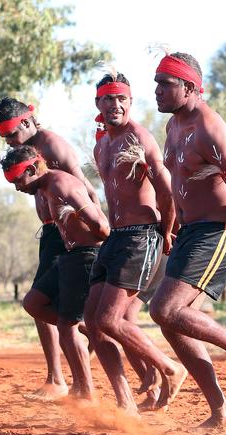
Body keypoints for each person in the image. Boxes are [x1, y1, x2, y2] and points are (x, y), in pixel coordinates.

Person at [150, 52, 226, 430]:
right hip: (191, 233)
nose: (157, 91)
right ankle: (221, 413)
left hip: (218, 231)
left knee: (163, 310)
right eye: (156, 82)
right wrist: (173, 224)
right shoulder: (173, 127)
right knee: (173, 321)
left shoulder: (209, 127)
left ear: (190, 87)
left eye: (165, 84)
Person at [84, 72, 187, 413]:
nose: (115, 105)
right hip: (115, 238)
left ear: (130, 102)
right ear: (98, 104)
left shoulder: (139, 137)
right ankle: (125, 401)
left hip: (142, 236)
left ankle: (170, 368)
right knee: (94, 323)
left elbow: (167, 189)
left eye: (121, 99)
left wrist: (167, 231)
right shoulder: (102, 145)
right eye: (108, 99)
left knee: (113, 320)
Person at [0, 98, 100, 401]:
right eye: (4, 138)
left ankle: (62, 377)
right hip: (52, 233)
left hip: (67, 236)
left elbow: (86, 191)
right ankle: (59, 376)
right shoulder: (27, 152)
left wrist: (95, 235)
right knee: (43, 304)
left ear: (27, 122)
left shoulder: (53, 145)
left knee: (45, 303)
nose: (9, 142)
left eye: (11, 134)